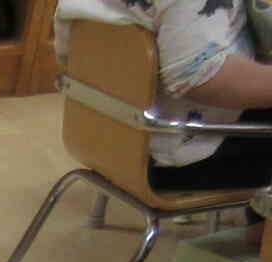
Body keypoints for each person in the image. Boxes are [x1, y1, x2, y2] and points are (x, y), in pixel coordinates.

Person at [55, 0, 272, 194]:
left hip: (102, 132)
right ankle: (261, 234)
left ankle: (256, 231)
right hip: (174, 154)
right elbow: (201, 78)